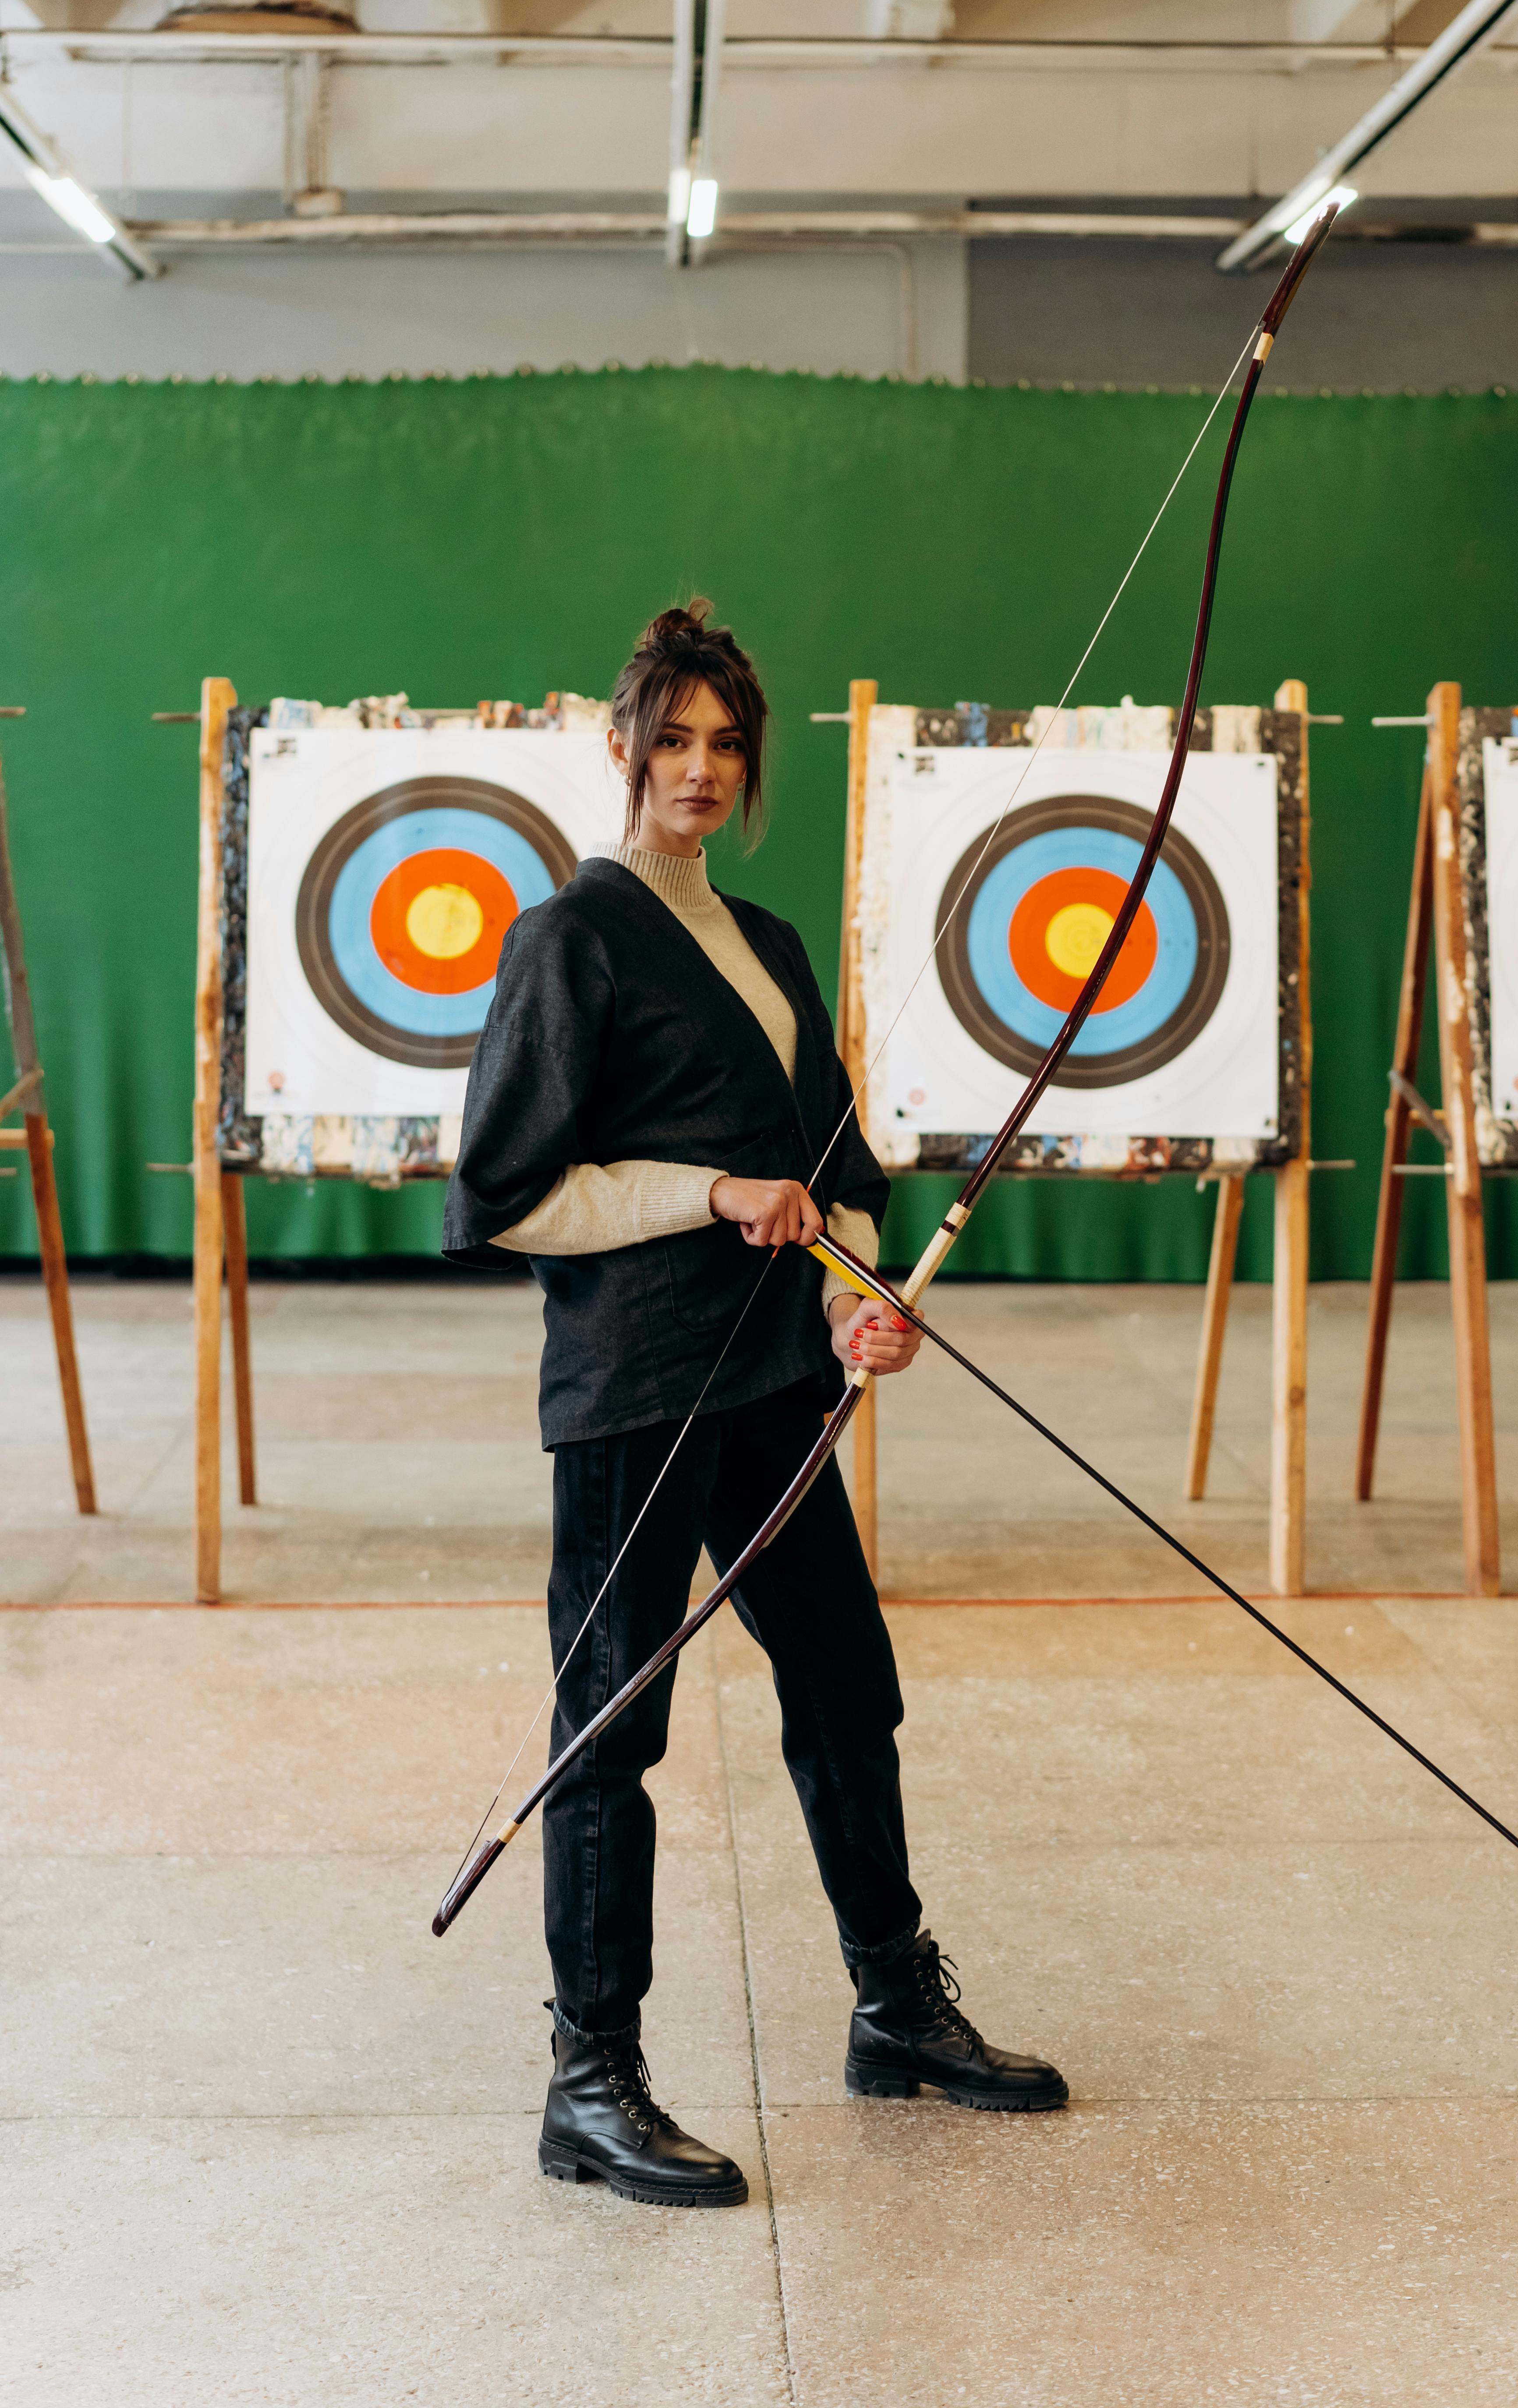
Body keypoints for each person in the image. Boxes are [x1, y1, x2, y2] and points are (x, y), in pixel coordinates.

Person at [444, 600, 1066, 2209]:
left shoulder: (771, 943)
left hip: (781, 1380)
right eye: (675, 738)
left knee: (848, 1682)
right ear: (622, 744)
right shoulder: (567, 938)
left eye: (728, 744)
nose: (700, 769)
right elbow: (507, 1195)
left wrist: (870, 1300)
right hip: (638, 1392)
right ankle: (592, 2083)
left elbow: (838, 1170)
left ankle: (894, 2005)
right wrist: (710, 1194)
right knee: (612, 1726)